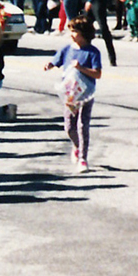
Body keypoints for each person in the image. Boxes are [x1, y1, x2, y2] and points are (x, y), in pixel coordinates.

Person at [44, 15, 102, 173]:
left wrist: (81, 68)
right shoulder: (67, 49)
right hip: (70, 93)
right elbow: (56, 61)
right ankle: (77, 145)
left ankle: (83, 158)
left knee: (83, 125)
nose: (71, 34)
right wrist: (49, 65)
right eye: (71, 31)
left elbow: (97, 73)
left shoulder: (92, 52)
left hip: (86, 93)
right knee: (69, 127)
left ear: (84, 33)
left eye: (75, 31)